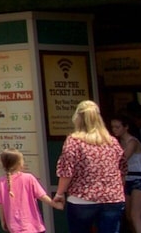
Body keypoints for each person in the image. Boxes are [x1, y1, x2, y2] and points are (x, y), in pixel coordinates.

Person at [53, 100, 125, 233]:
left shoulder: (74, 141)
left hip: (82, 197)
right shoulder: (112, 141)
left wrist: (59, 193)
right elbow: (122, 167)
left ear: (78, 119)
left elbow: (67, 171)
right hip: (112, 198)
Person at [0, 149, 62, 233]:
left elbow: (0, 204)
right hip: (32, 225)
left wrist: (3, 221)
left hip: (13, 226)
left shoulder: (1, 181)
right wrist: (55, 204)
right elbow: (42, 196)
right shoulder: (28, 178)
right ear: (19, 163)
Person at [113, 115, 141, 233]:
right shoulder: (119, 143)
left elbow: (122, 159)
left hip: (140, 179)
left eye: (117, 127)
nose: (114, 130)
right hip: (128, 179)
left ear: (126, 127)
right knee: (129, 216)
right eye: (113, 127)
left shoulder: (132, 142)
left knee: (135, 215)